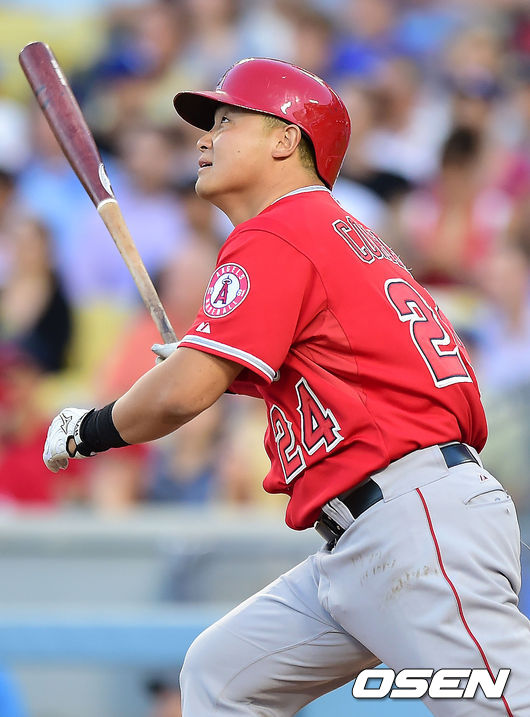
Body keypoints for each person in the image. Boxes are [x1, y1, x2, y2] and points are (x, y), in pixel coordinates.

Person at [42, 58, 530, 715]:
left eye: (226, 121)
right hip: (379, 528)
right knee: (221, 676)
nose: (204, 139)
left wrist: (88, 428)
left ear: (284, 139)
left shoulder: (279, 229)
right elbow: (338, 371)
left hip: (411, 518)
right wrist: (212, 362)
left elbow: (181, 395)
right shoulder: (325, 230)